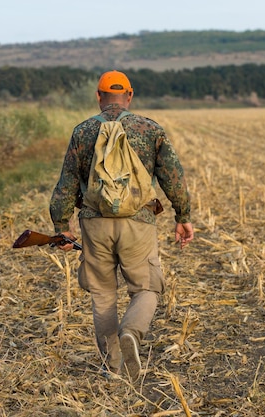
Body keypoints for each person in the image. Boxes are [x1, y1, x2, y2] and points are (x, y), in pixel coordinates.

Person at [49, 70, 194, 382]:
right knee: (147, 287)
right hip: (138, 224)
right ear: (130, 96)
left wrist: (62, 225)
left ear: (99, 96)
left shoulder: (83, 131)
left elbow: (66, 184)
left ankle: (112, 366)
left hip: (94, 224)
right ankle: (131, 332)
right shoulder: (150, 129)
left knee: (102, 294)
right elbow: (174, 178)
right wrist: (183, 217)